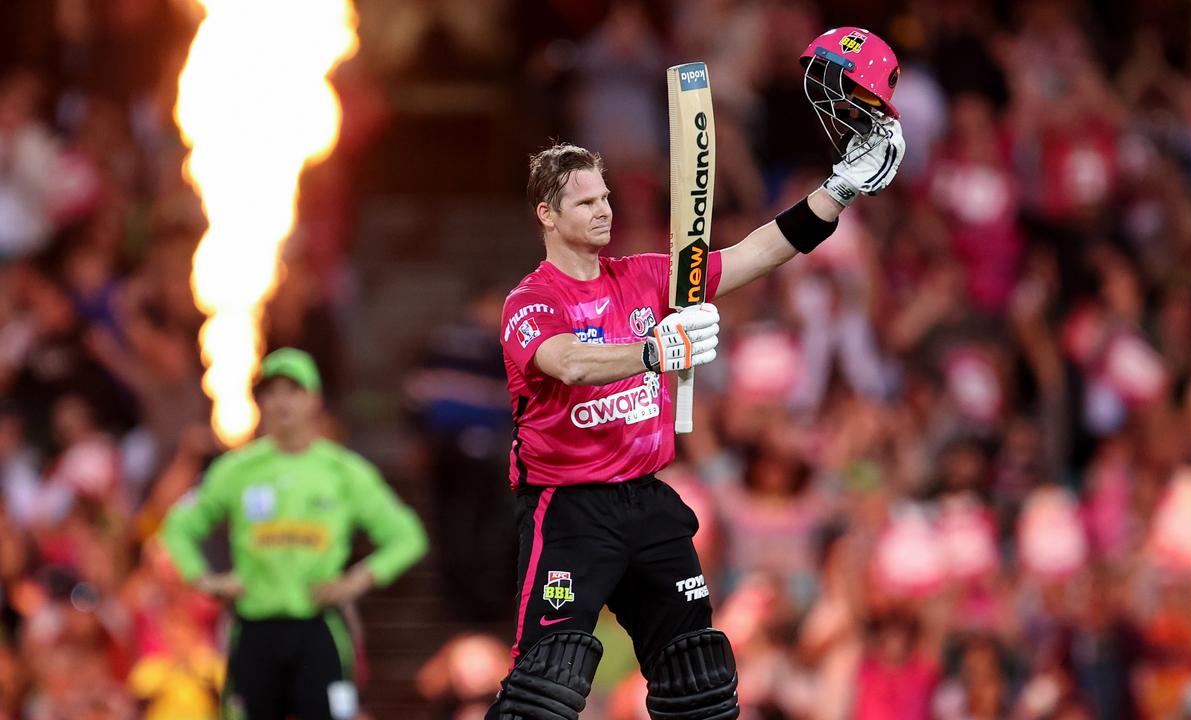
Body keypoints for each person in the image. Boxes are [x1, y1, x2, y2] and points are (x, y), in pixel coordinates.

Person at [487, 28, 907, 720]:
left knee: (701, 689)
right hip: (571, 510)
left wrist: (836, 195)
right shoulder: (530, 301)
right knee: (546, 690)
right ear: (547, 214)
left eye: (605, 198)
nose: (604, 210)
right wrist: (657, 352)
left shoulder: (649, 276)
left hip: (647, 500)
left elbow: (752, 255)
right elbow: (568, 362)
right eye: (585, 202)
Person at [160, 347, 429, 720]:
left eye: (293, 390)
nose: (281, 402)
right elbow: (178, 526)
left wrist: (358, 580)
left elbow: (407, 535)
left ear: (314, 399)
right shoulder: (237, 470)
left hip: (317, 628)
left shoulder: (342, 471)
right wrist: (204, 580)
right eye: (270, 392)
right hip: (254, 630)